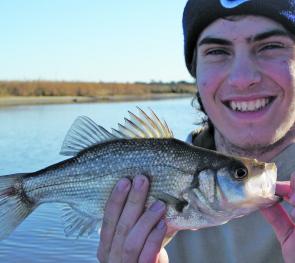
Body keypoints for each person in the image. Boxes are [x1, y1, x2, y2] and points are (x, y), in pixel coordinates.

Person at [97, 0, 295, 262]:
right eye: (217, 51)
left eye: (270, 46)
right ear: (196, 71)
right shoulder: (137, 197)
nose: (242, 78)